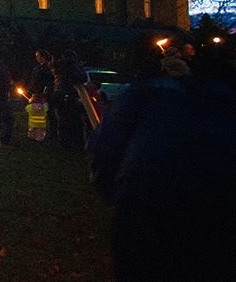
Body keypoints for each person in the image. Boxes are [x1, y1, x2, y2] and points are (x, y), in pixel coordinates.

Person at [89, 46, 236, 281]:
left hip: (145, 197)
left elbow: (106, 145)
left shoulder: (144, 94)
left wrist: (114, 192)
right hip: (217, 203)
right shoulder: (223, 101)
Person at [52, 50, 87, 151]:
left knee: (63, 120)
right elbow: (82, 77)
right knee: (74, 122)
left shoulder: (59, 66)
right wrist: (78, 66)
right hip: (68, 97)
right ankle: (73, 144)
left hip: (61, 96)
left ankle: (65, 143)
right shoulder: (70, 67)